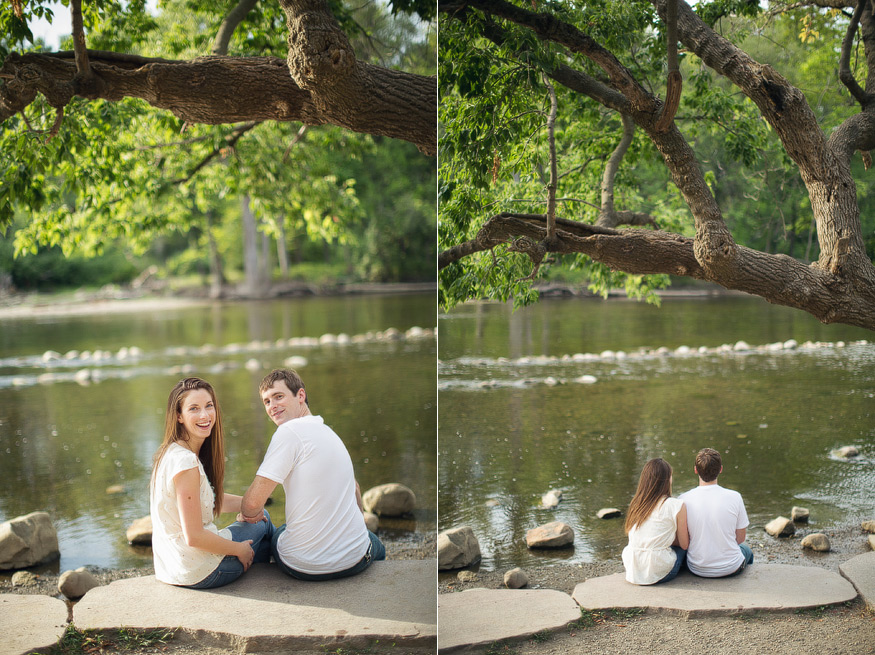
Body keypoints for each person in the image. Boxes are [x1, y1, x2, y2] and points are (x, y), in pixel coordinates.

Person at [239, 369, 385, 581]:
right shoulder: (328, 433)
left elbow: (252, 506)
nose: (272, 406)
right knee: (374, 543)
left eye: (279, 397)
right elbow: (354, 488)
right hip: (356, 560)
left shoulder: (287, 433)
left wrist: (248, 514)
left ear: (300, 395)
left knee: (274, 530)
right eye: (267, 401)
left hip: (305, 566)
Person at [150, 377, 274, 588]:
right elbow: (195, 537)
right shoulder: (186, 462)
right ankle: (279, 561)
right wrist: (238, 550)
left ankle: (258, 561)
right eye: (194, 409)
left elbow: (210, 501)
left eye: (209, 406)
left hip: (173, 568)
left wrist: (250, 504)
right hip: (200, 570)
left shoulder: (170, 452)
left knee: (257, 514)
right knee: (263, 521)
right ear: (179, 416)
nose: (205, 415)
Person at [679, 447, 753, 577]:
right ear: (720, 469)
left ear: (695, 470)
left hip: (697, 568)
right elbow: (740, 538)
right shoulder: (735, 497)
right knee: (747, 550)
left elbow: (684, 540)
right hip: (731, 567)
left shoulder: (683, 499)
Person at [621, 458, 689, 585]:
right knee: (685, 548)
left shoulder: (636, 503)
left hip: (633, 568)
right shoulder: (675, 505)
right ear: (667, 480)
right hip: (658, 570)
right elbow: (684, 544)